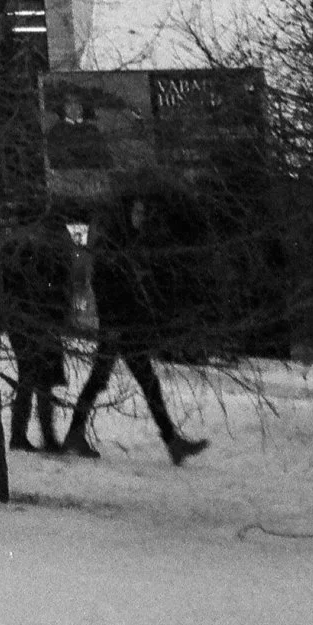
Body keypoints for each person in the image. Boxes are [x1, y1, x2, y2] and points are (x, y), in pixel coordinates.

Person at [66, 190, 208, 465]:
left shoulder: (126, 242)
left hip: (127, 327)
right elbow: (105, 287)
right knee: (114, 380)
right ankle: (171, 442)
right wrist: (114, 324)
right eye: (137, 212)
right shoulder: (114, 245)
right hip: (119, 328)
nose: (141, 218)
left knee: (133, 381)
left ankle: (171, 441)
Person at [1, 210, 74, 452]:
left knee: (33, 375)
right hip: (39, 318)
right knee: (38, 376)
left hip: (25, 318)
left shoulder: (20, 243)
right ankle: (38, 435)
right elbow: (54, 285)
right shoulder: (44, 250)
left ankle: (26, 434)